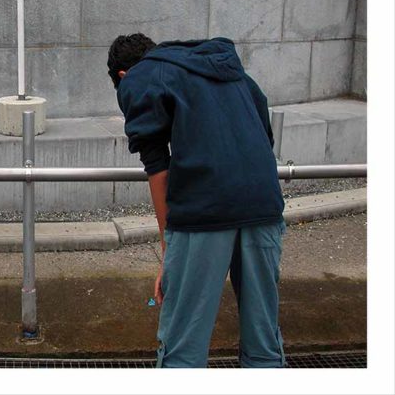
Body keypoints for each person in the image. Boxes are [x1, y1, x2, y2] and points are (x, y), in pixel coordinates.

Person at [107, 34, 286, 368]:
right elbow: (264, 130)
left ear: (121, 76)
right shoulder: (231, 70)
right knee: (264, 342)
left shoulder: (139, 76)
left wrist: (168, 253)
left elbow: (157, 166)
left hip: (205, 207)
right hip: (263, 201)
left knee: (183, 344)